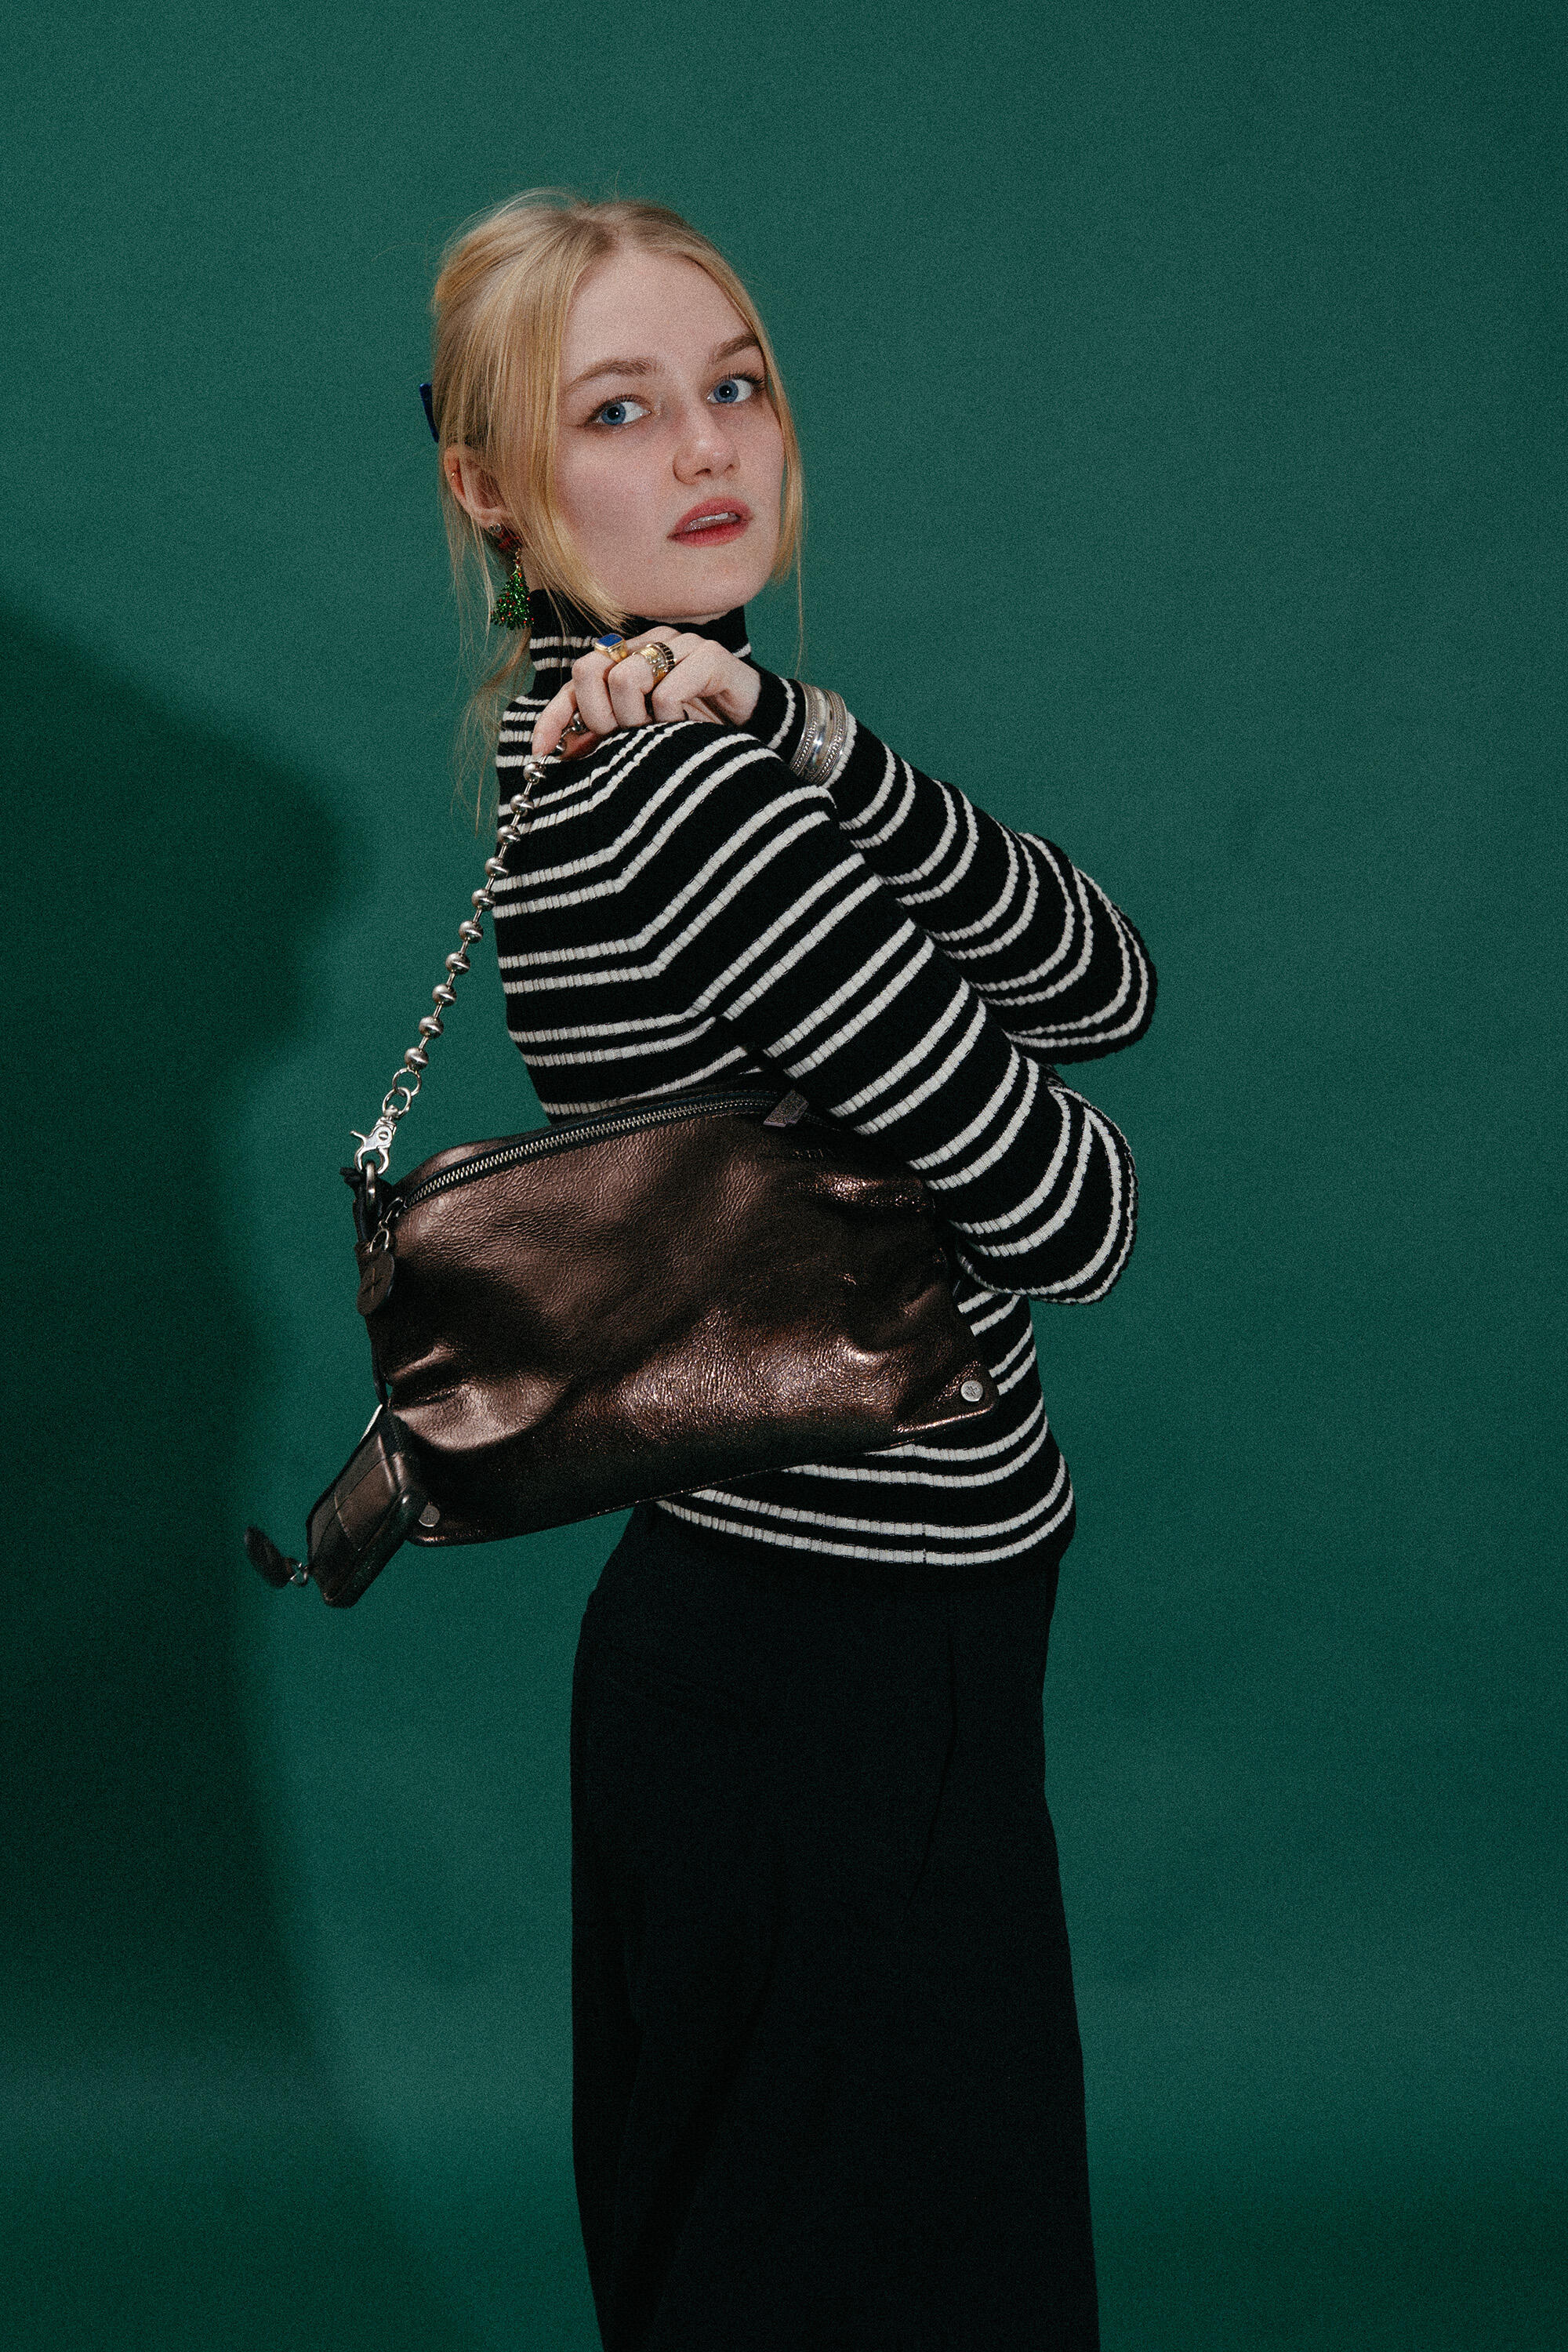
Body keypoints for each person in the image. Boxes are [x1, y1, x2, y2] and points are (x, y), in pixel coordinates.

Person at [430, 191, 1155, 2352]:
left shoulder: (607, 736)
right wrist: (771, 771)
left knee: (749, 2258)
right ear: (494, 483)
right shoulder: (694, 804)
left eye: (733, 384)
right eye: (621, 411)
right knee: (900, 2282)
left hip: (753, 1635)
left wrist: (814, 730)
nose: (708, 449)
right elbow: (1077, 1213)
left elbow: (1098, 976)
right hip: (853, 1667)